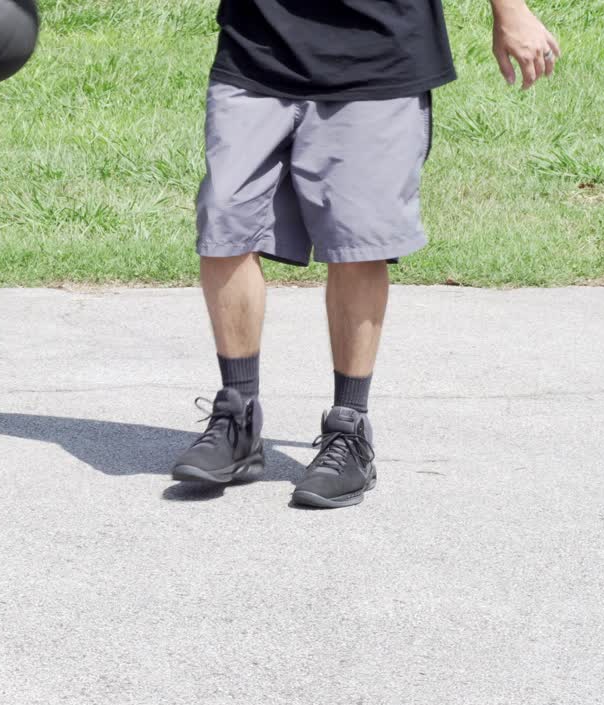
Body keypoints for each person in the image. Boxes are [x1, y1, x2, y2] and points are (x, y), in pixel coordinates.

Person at [171, 0, 560, 507]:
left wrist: (510, 11)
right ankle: (237, 417)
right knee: (226, 222)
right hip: (255, 46)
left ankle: (349, 430)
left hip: (378, 57)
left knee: (356, 242)